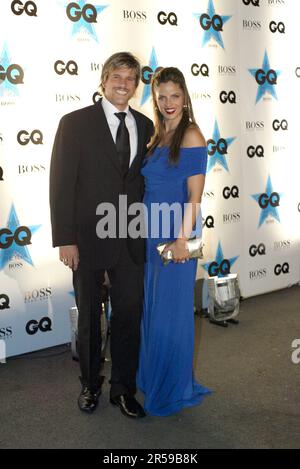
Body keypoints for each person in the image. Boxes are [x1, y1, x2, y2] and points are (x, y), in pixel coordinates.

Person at [50, 52, 153, 418]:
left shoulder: (146, 125)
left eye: (131, 78)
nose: (123, 84)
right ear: (104, 80)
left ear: (136, 85)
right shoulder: (75, 123)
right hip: (88, 240)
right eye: (117, 76)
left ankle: (123, 390)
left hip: (131, 239)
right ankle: (90, 385)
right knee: (91, 318)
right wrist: (65, 238)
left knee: (128, 315)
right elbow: (61, 184)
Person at [137, 67, 212, 416]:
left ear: (185, 96)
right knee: (154, 310)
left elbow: (194, 196)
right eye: (162, 96)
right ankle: (154, 378)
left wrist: (182, 240)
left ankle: (171, 388)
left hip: (174, 236)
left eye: (175, 95)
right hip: (151, 233)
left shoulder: (191, 135)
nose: (168, 103)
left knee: (170, 314)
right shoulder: (157, 135)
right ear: (155, 98)